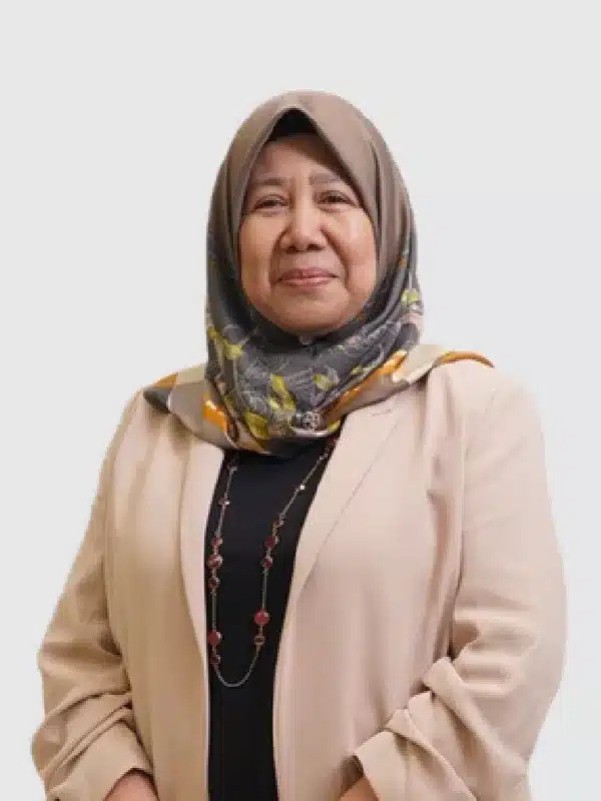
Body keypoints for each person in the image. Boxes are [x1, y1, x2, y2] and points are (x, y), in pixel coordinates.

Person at [31, 91, 566, 801]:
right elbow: (80, 659)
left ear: (386, 226)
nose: (302, 231)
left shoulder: (470, 411)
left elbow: (511, 658)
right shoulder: (158, 422)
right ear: (230, 239)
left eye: (335, 198)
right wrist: (119, 788)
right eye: (268, 203)